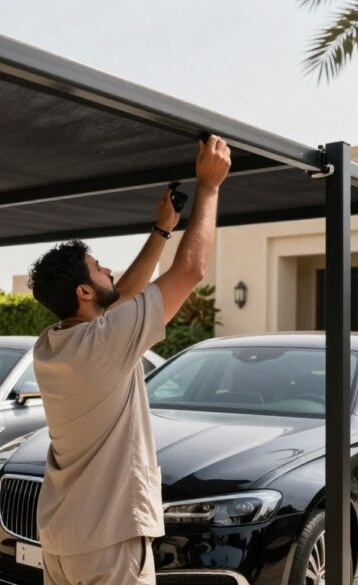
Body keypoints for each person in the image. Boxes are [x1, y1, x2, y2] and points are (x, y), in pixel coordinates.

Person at [27, 135, 231, 584]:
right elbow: (191, 270)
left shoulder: (51, 344)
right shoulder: (105, 342)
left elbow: (122, 298)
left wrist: (161, 231)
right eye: (100, 268)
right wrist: (211, 188)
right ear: (83, 291)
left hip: (62, 540)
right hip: (108, 544)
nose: (109, 272)